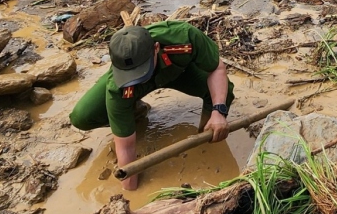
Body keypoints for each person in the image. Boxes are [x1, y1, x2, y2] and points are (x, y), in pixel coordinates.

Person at [70, 21, 234, 190]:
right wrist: (130, 191)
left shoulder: (184, 36)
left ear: (156, 48)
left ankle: (207, 136)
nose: (138, 76)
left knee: (224, 92)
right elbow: (125, 148)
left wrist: (218, 112)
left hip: (178, 71)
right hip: (132, 89)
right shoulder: (118, 87)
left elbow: (217, 68)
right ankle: (134, 111)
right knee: (82, 116)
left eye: (140, 70)